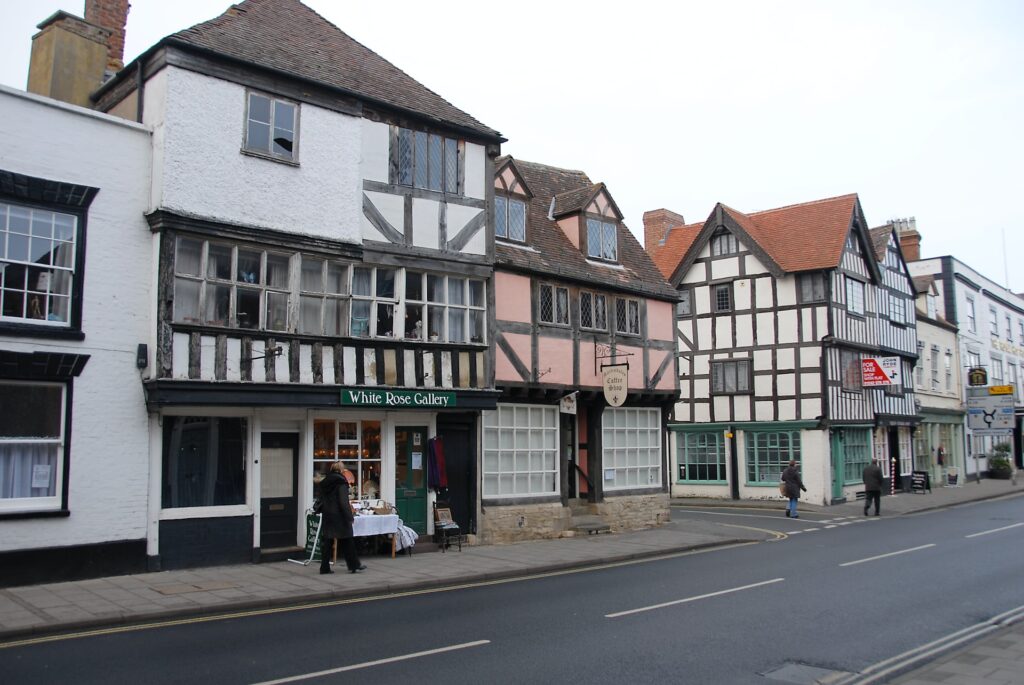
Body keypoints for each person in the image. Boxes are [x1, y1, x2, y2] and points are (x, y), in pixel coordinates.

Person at [318, 461, 366, 575]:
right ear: (341, 470)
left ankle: (324, 568)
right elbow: (343, 502)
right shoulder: (341, 482)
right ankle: (354, 565)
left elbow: (321, 499)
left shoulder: (325, 482)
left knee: (328, 542)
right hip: (339, 516)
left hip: (327, 514)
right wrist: (349, 516)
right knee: (347, 540)